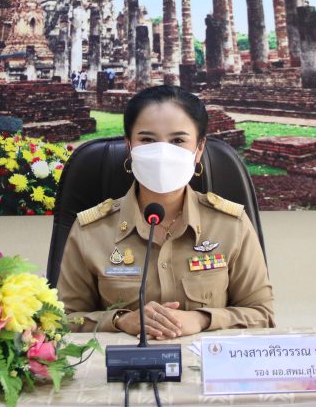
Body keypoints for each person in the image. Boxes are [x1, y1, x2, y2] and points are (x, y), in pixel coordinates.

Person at [57, 85, 274, 338]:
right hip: (123, 363)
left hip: (204, 362)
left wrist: (202, 319)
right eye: (147, 140)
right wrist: (120, 321)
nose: (162, 152)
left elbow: (262, 315)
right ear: (129, 146)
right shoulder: (91, 230)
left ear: (199, 149)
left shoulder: (230, 225)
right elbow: (62, 321)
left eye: (178, 141)